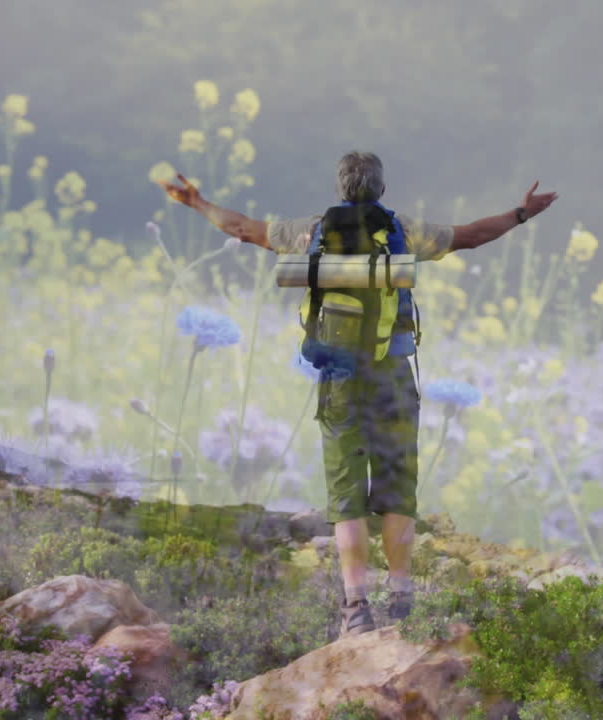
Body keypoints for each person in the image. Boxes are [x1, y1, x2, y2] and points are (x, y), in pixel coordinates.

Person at [160, 150, 558, 637]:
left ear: (340, 188)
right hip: (392, 375)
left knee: (346, 496)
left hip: (340, 378)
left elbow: (243, 229)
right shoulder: (403, 230)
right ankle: (403, 597)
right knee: (396, 494)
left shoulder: (311, 231)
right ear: (381, 189)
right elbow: (472, 237)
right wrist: (521, 213)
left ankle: (355, 608)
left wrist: (197, 202)